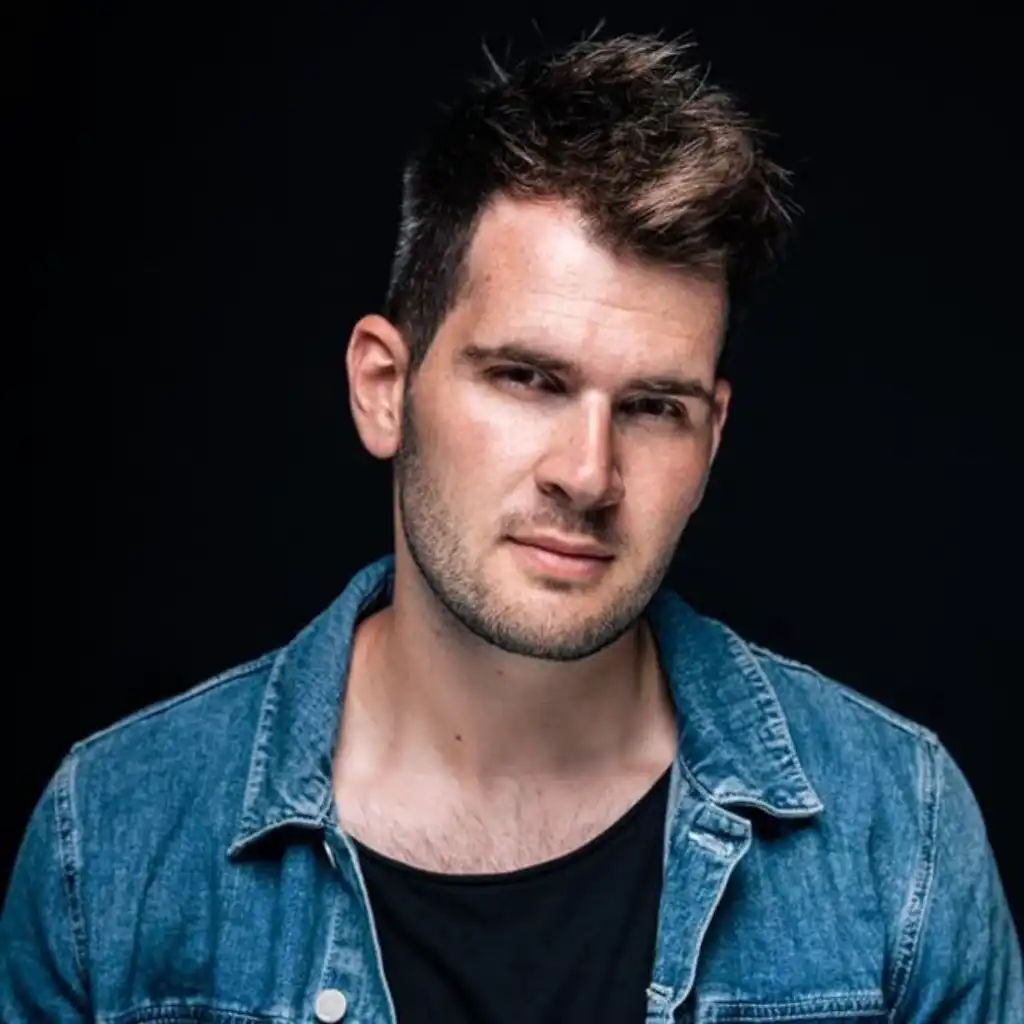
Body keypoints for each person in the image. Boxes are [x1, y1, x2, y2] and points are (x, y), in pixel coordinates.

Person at [4, 30, 1021, 1024]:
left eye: (652, 406)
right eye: (528, 379)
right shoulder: (111, 839)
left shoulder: (900, 831)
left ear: (711, 438)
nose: (588, 474)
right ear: (384, 388)